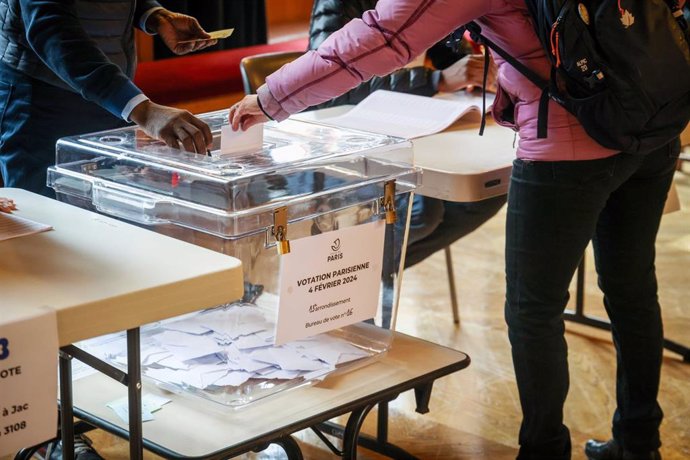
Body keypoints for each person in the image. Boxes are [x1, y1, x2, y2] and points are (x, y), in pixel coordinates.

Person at [229, 1, 684, 459]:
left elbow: (380, 37)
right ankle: (638, 444)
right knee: (633, 292)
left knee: (534, 311)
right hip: (652, 122)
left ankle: (544, 451)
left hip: (568, 144)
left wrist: (271, 99)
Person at [307, 0, 506, 268]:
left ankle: (365, 279)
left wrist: (477, 72)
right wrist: (436, 80)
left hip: (413, 129)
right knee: (423, 210)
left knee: (486, 194)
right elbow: (330, 87)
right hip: (346, 138)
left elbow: (446, 49)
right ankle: (349, 282)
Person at [0, 1, 216, 197]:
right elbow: (51, 28)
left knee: (106, 216)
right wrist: (142, 110)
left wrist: (155, 16)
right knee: (44, 223)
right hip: (42, 100)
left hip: (110, 95)